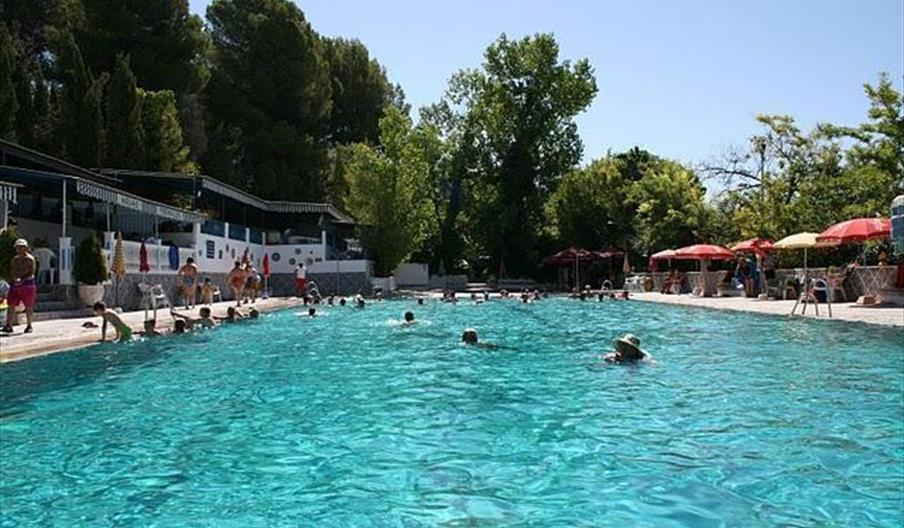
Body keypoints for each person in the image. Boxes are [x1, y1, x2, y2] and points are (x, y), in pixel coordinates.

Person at [2, 239, 37, 334]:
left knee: (28, 305)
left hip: (27, 284)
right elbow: (13, 270)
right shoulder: (15, 259)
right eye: (18, 247)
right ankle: (9, 325)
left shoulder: (30, 259)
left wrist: (21, 279)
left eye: (21, 247)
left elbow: (31, 272)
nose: (19, 249)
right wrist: (12, 279)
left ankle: (29, 325)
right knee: (11, 304)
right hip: (15, 284)